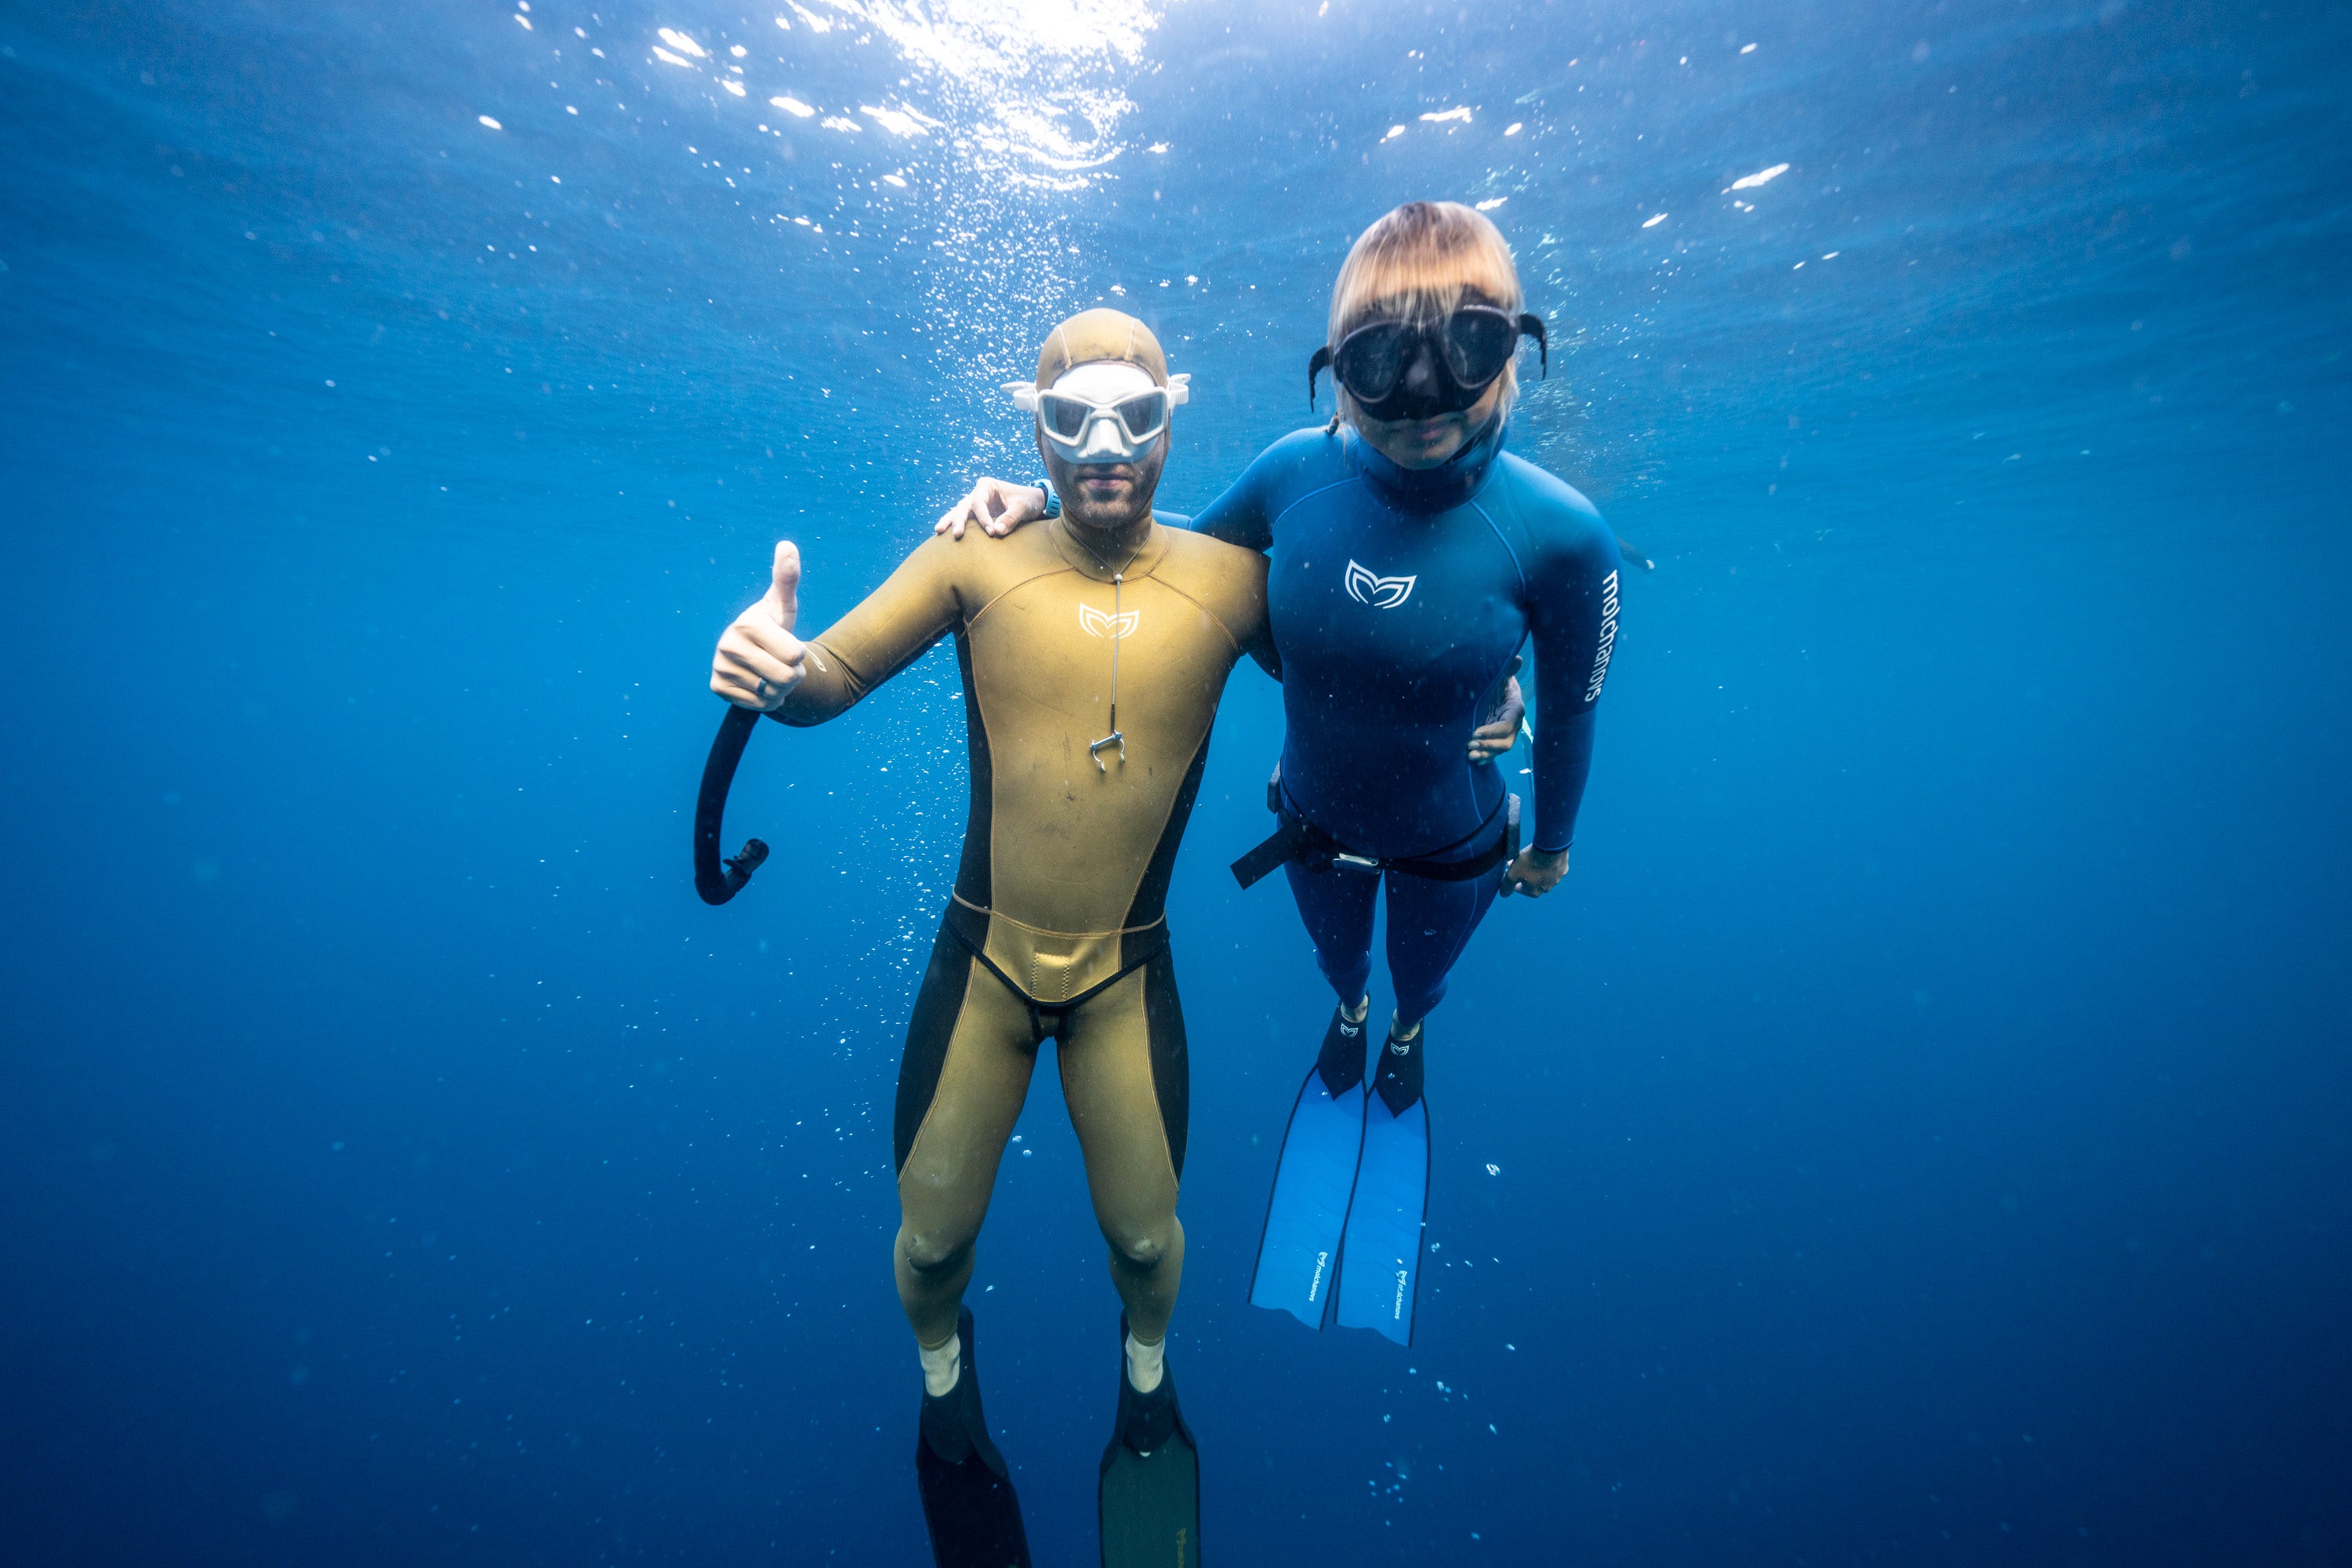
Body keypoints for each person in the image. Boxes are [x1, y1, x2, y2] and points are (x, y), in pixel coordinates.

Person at [935, 202, 1624, 1348]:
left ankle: (1405, 1037)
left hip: (1459, 847)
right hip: (1310, 827)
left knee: (1423, 985)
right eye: (1376, 360)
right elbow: (1158, 569)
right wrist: (1044, 506)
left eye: (1465, 349)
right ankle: (1359, 1018)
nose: (1422, 395)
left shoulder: (1563, 534)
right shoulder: (1288, 477)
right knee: (1342, 970)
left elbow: (1576, 707)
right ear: (1334, 371)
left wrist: (1550, 843)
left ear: (1516, 349)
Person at [710, 310, 1266, 1567]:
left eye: (1134, 413)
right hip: (988, 967)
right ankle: (945, 1385)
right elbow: (831, 678)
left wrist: (1477, 705)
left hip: (1128, 972)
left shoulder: (1237, 579)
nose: (1104, 444)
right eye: (1071, 419)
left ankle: (1145, 1386)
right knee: (929, 1241)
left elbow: (1367, 680)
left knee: (1142, 1238)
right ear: (1033, 425)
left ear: (1175, 418)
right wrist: (770, 666)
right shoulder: (976, 555)